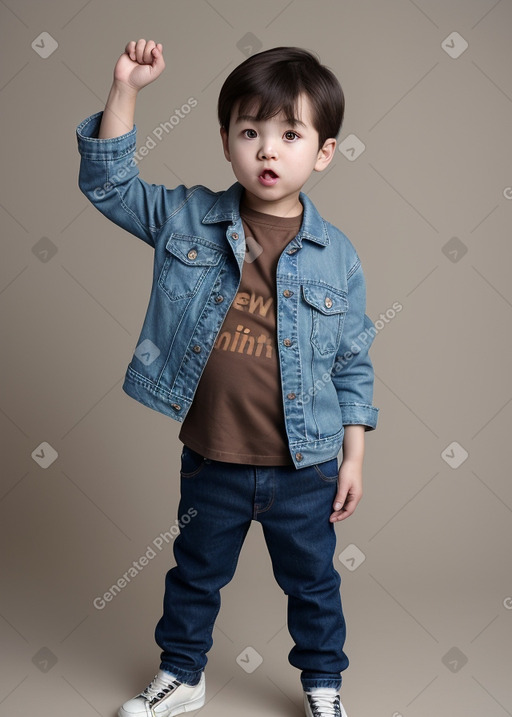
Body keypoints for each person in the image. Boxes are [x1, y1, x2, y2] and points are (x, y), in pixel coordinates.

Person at [76, 39, 379, 717]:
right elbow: (109, 186)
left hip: (305, 465)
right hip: (213, 455)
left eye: (289, 134)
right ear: (225, 142)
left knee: (313, 584)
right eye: (251, 132)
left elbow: (353, 358)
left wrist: (355, 454)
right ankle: (182, 674)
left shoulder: (339, 257)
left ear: (323, 152)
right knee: (195, 574)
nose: (268, 151)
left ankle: (323, 685)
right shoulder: (187, 218)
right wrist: (126, 88)